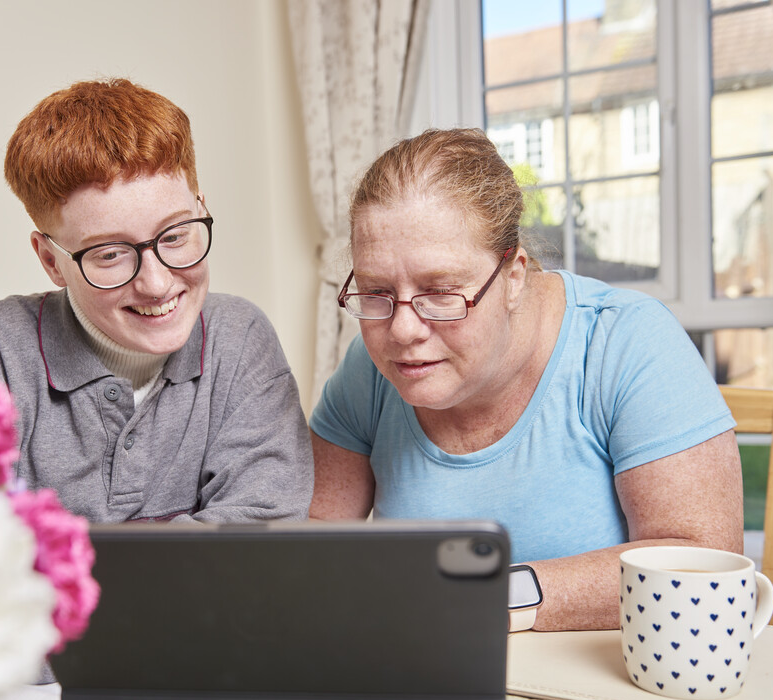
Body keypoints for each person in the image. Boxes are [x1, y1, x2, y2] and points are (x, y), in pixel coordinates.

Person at [309, 128, 743, 631]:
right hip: (427, 673)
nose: (403, 330)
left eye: (442, 292)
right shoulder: (371, 366)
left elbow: (700, 565)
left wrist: (473, 594)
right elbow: (314, 537)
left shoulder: (626, 342)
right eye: (376, 291)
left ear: (513, 276)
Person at [0, 78, 312, 523]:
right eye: (111, 254)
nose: (156, 285)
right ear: (51, 261)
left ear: (201, 212)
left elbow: (261, 532)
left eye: (175, 236)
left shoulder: (239, 338)